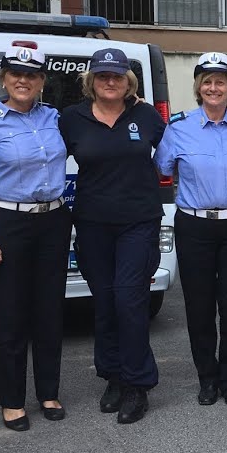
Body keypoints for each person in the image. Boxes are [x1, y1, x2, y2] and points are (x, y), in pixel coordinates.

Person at [0, 43, 72, 432]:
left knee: (50, 312)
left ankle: (48, 393)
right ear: (4, 78)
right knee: (11, 315)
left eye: (31, 75)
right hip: (8, 222)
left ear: (41, 81)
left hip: (53, 220)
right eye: (15, 74)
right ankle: (12, 401)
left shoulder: (55, 118)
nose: (23, 81)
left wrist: (134, 103)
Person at [59, 48, 167, 424]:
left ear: (128, 82)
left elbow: (173, 153)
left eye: (117, 76)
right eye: (103, 75)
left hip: (139, 222)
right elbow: (44, 159)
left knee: (129, 300)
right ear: (91, 81)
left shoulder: (146, 115)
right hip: (92, 224)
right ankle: (114, 376)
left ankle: (138, 384)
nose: (110, 81)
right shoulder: (71, 119)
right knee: (104, 302)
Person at [154, 52, 227, 409]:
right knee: (199, 305)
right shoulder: (178, 128)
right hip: (195, 225)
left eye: (221, 82)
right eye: (207, 82)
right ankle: (207, 378)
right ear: (199, 88)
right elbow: (162, 168)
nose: (214, 88)